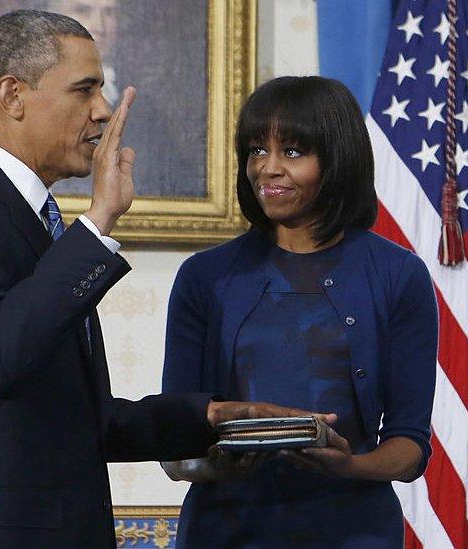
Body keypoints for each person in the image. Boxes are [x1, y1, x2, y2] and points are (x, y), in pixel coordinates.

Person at [0, 11, 323, 549]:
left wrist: (209, 417)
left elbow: (69, 420)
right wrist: (99, 224)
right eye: (84, 90)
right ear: (12, 96)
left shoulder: (30, 218)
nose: (103, 110)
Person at [160, 76, 439, 548]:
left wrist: (349, 465)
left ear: (337, 159)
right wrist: (217, 463)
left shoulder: (399, 275)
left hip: (354, 530)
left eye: (291, 152)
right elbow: (173, 442)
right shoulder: (204, 277)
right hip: (225, 529)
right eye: (255, 151)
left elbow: (409, 447)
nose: (267, 169)